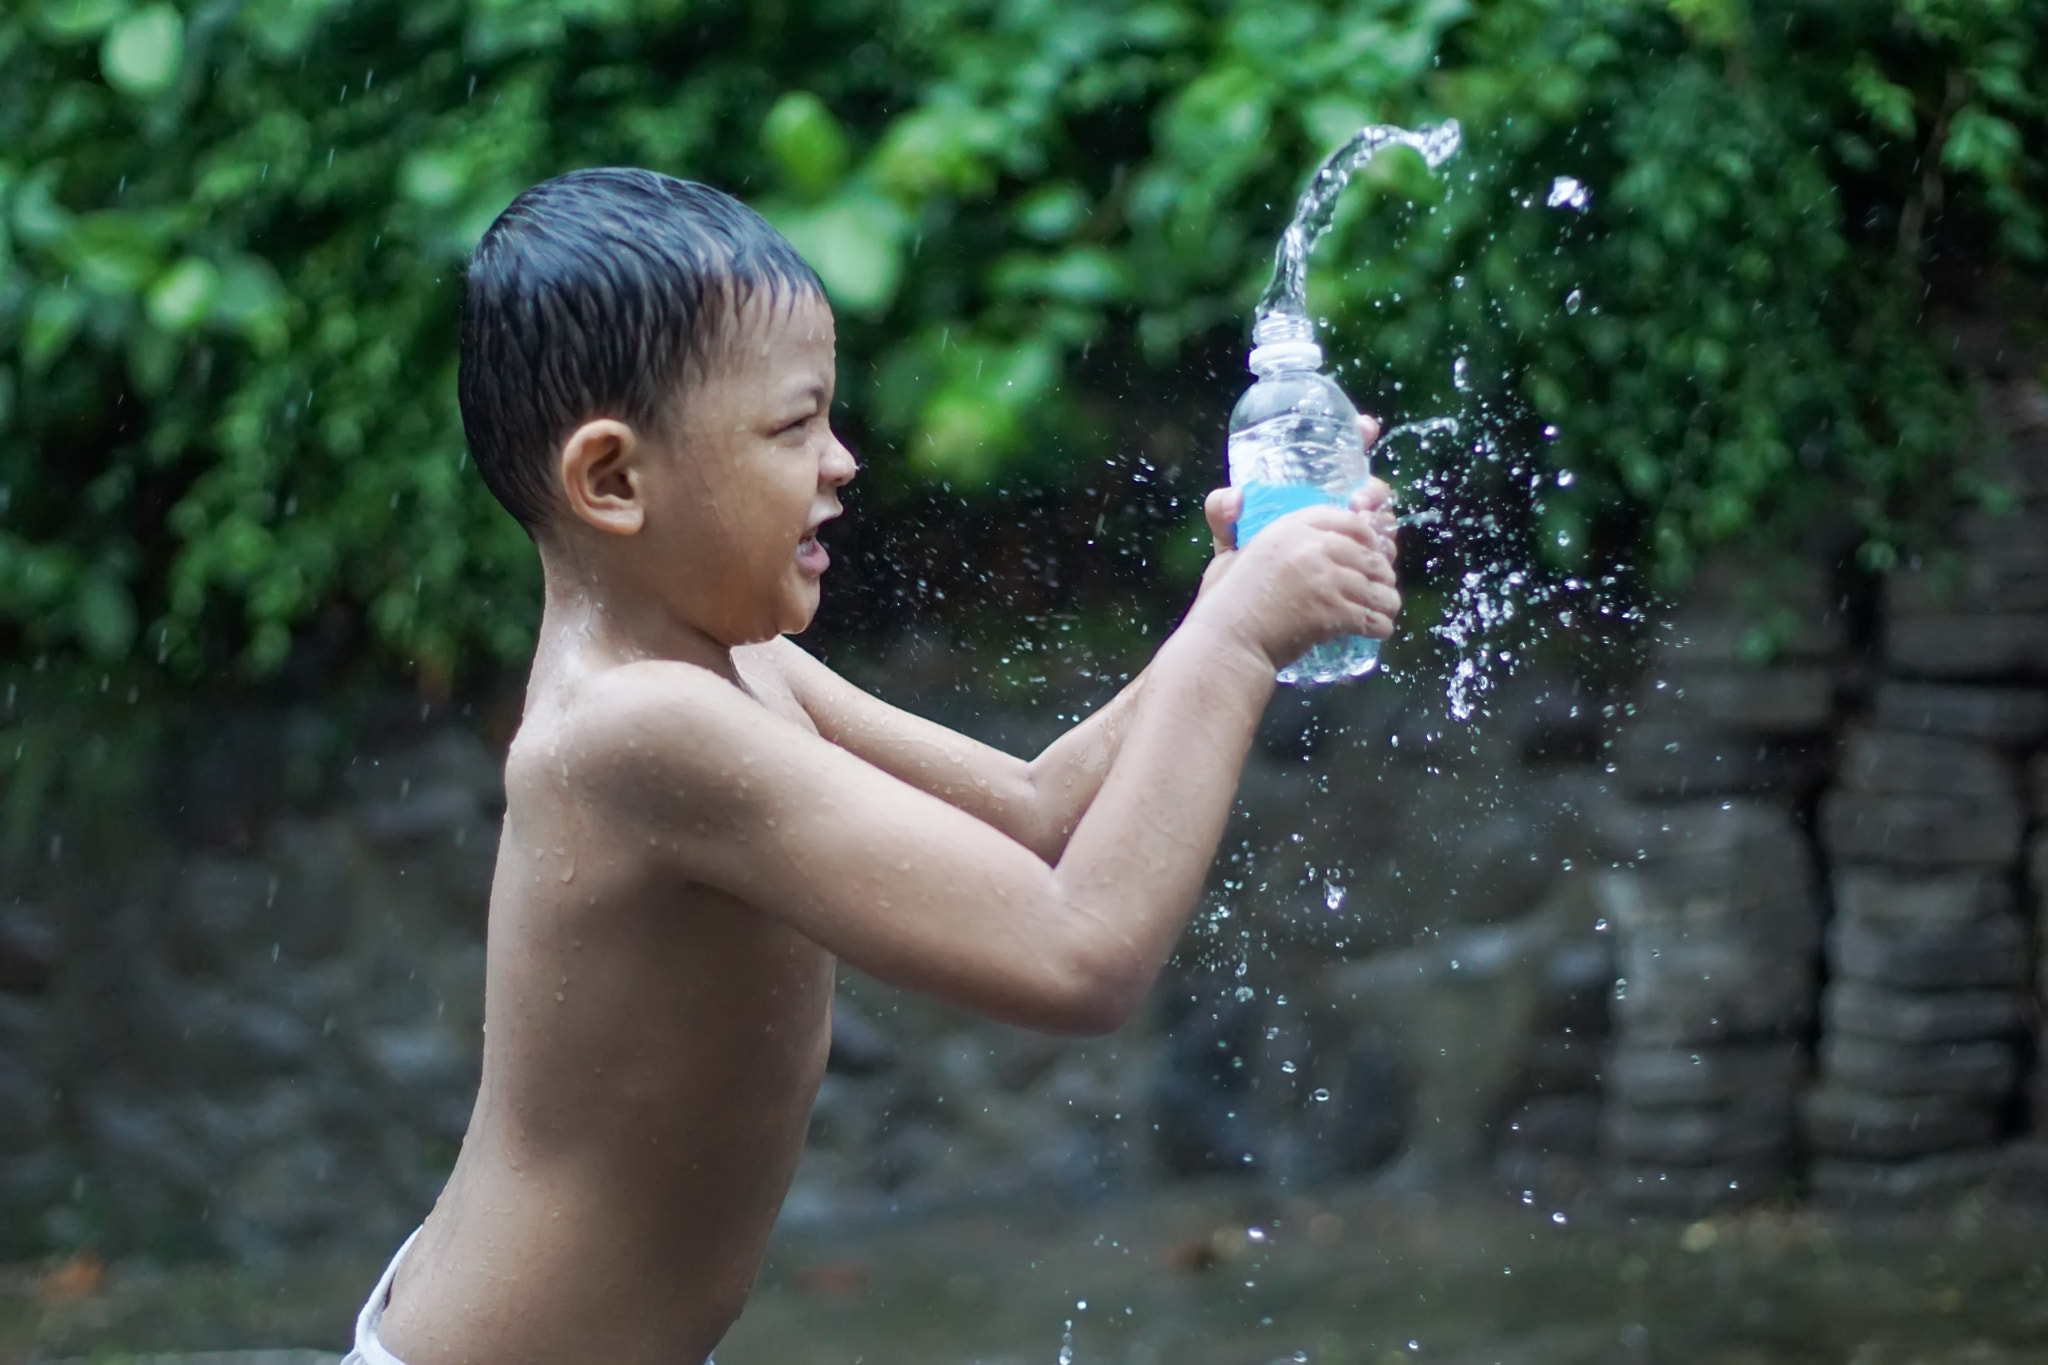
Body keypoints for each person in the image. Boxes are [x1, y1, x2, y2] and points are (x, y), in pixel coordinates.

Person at [350, 167, 1401, 1365]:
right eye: (793, 427)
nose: (843, 460)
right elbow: (1080, 954)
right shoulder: (628, 733)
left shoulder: (738, 674)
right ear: (612, 481)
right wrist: (1237, 638)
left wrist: (1223, 598)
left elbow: (1037, 813)